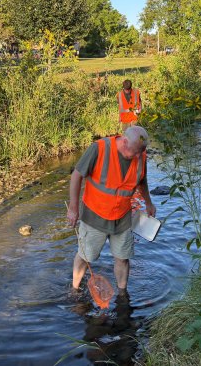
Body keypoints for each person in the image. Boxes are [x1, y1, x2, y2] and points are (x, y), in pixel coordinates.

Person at [66, 126, 156, 294]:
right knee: (86, 256)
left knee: (123, 258)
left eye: (140, 153)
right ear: (124, 142)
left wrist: (148, 203)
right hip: (94, 215)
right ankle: (74, 290)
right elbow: (76, 175)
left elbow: (142, 180)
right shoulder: (99, 149)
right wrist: (73, 208)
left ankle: (122, 295)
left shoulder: (140, 154)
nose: (138, 157)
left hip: (122, 218)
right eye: (135, 152)